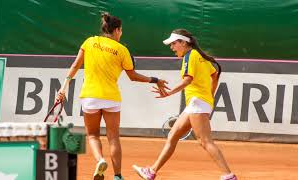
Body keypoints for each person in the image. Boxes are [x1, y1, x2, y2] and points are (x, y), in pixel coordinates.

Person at [55, 13, 168, 180]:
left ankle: (100, 160)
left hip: (90, 97)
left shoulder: (90, 41)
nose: (121, 34)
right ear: (116, 30)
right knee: (113, 137)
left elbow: (74, 66)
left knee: (92, 135)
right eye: (121, 31)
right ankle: (117, 176)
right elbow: (133, 76)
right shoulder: (122, 50)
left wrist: (62, 89)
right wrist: (155, 80)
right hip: (111, 98)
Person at [133, 29, 237, 180]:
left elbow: (188, 80)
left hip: (197, 103)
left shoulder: (190, 56)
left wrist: (168, 93)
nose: (172, 47)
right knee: (173, 135)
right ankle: (152, 171)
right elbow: (214, 74)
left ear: (184, 42)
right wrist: (210, 97)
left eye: (174, 43)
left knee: (205, 141)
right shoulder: (200, 56)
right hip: (198, 103)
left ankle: (229, 176)